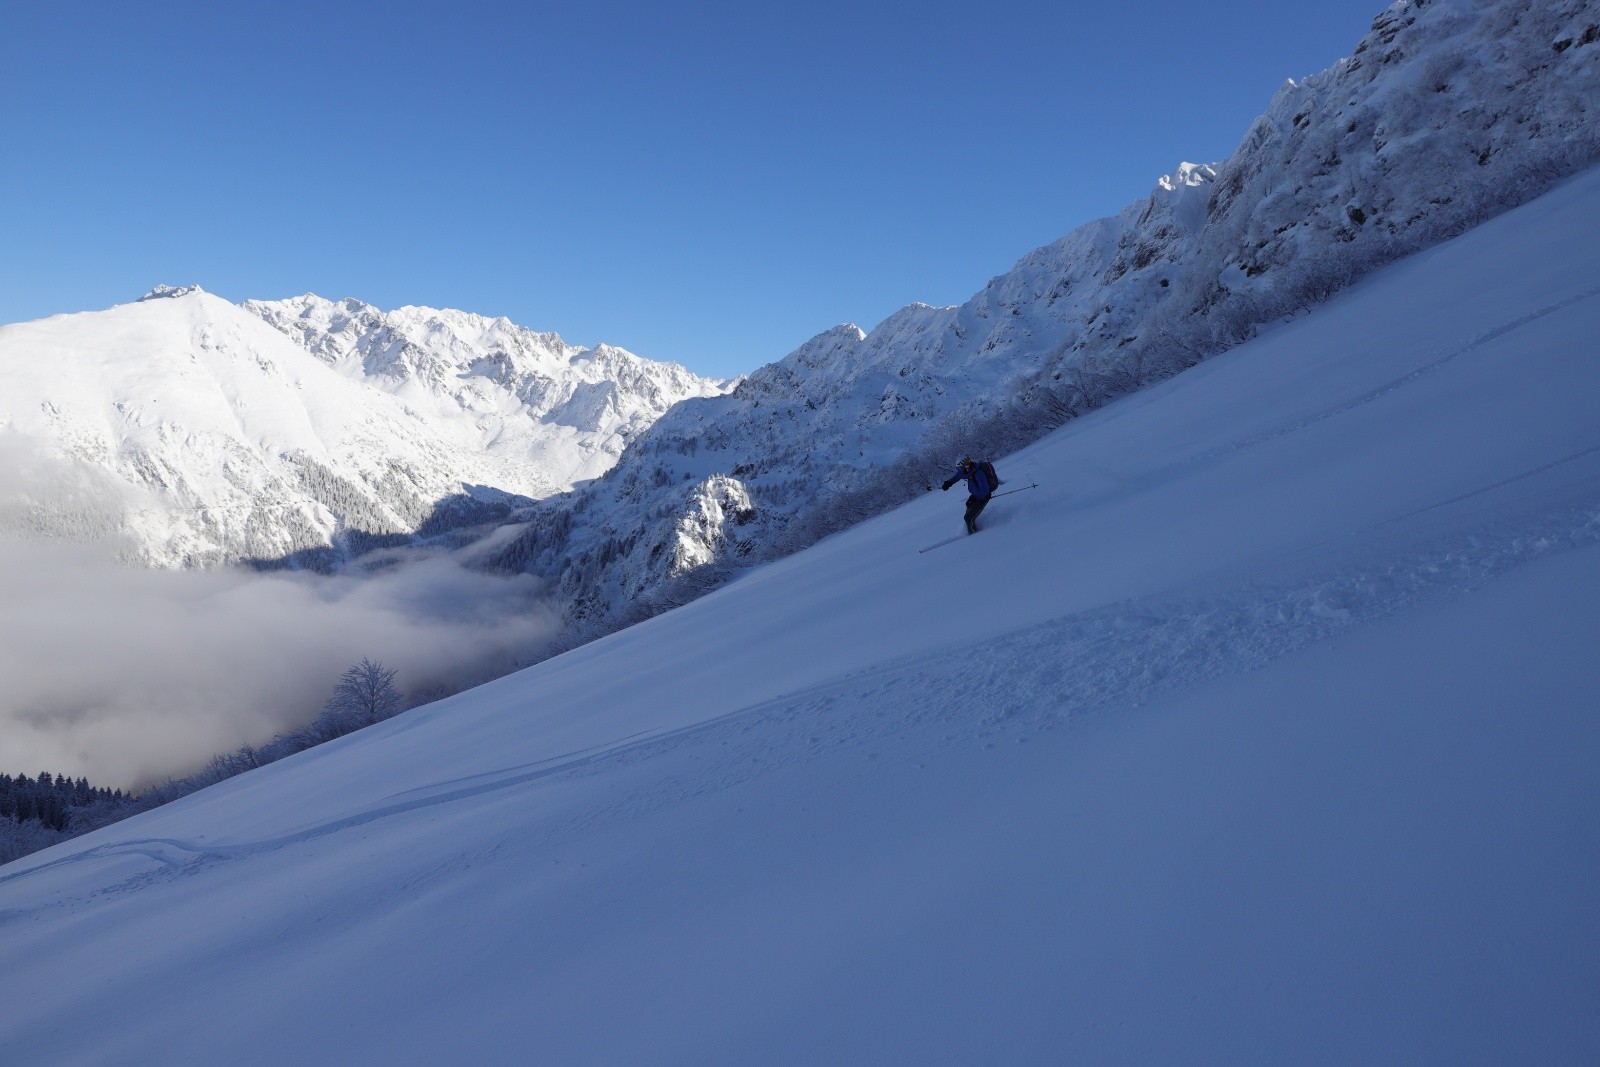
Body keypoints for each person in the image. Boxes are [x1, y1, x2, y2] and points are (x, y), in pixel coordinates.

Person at [941, 456, 1001, 534]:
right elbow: (958, 476)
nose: (967, 465)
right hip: (976, 495)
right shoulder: (967, 471)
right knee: (969, 509)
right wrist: (949, 483)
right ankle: (973, 529)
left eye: (968, 463)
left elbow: (984, 490)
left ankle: (973, 536)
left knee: (968, 518)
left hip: (984, 496)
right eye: (965, 464)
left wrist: (976, 498)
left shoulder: (978, 472)